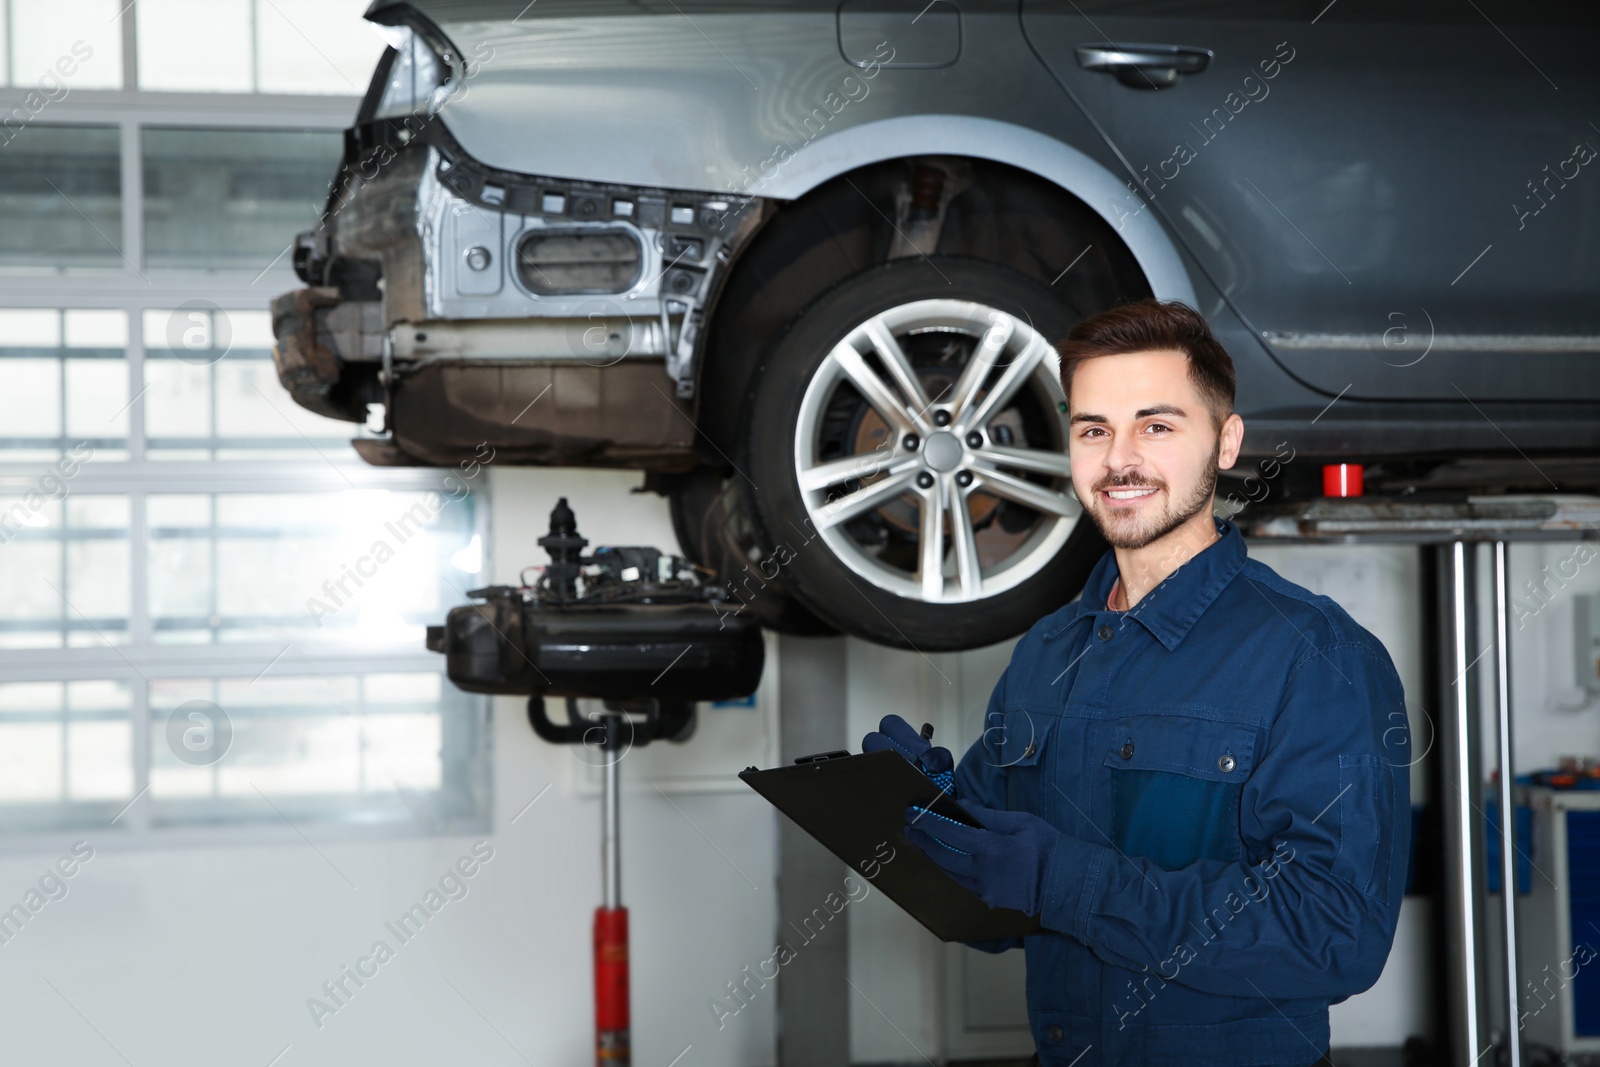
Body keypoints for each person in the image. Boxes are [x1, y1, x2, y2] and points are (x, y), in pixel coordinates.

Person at [865, 299, 1409, 1067]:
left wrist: (1065, 880)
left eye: (1157, 425)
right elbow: (991, 921)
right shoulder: (1045, 653)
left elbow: (1336, 934)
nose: (1120, 459)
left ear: (1225, 443)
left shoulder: (1315, 656)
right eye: (1094, 428)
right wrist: (927, 820)